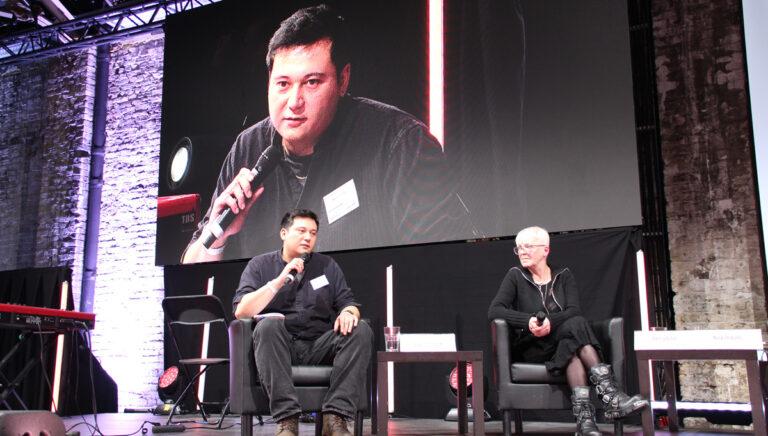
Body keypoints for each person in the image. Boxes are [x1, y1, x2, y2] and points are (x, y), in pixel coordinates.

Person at [182, 4, 475, 264]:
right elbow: (191, 267)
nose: (294, 101)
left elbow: (444, 263)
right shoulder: (248, 148)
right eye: (282, 84)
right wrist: (215, 237)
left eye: (311, 82)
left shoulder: (400, 144)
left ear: (342, 80)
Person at [487, 226, 648, 436]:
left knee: (573, 347)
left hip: (562, 345)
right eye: (518, 248)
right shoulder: (515, 276)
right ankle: (612, 397)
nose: (522, 252)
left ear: (545, 249)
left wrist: (550, 323)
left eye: (527, 246)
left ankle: (586, 423)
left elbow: (573, 310)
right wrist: (528, 322)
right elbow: (494, 310)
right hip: (532, 347)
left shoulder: (563, 275)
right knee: (576, 325)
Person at [233, 209, 371, 436]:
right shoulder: (259, 265)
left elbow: (348, 302)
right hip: (279, 347)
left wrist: (348, 312)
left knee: (361, 329)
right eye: (301, 231)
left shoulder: (327, 266)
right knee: (268, 325)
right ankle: (287, 422)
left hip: (318, 345)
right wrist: (278, 281)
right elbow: (241, 311)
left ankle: (334, 418)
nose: (308, 237)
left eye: (313, 233)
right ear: (284, 233)